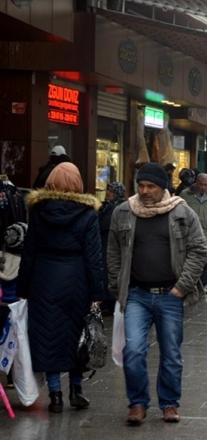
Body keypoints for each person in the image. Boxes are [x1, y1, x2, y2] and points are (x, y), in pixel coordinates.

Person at [107, 162, 207, 425]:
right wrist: (119, 288)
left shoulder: (181, 213)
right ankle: (138, 404)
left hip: (170, 295)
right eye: (141, 185)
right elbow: (114, 252)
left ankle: (170, 404)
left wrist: (182, 287)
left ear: (162, 187)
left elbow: (199, 249)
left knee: (171, 353)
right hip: (136, 295)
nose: (144, 191)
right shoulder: (123, 212)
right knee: (134, 351)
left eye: (150, 186)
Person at [18, 163, 105, 413]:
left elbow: (29, 252)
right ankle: (76, 391)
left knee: (48, 335)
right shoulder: (88, 214)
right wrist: (97, 293)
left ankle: (55, 395)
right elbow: (94, 257)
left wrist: (23, 288)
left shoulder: (37, 211)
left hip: (43, 279)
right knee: (77, 335)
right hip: (76, 279)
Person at [179, 173, 207, 287]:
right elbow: (178, 213)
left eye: (205, 185)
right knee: (187, 259)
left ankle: (202, 285)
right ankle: (189, 283)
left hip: (206, 233)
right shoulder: (185, 194)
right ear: (196, 183)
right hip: (189, 232)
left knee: (206, 261)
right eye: (200, 184)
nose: (203, 187)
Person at [98, 182, 127, 313]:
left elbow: (104, 224)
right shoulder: (107, 207)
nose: (108, 193)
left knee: (108, 269)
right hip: (105, 243)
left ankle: (109, 300)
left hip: (110, 244)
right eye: (108, 190)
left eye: (111, 191)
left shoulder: (115, 209)